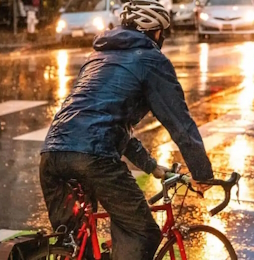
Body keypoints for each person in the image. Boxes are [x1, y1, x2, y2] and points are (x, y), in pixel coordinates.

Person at [39, 0, 214, 259]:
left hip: (51, 156)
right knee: (142, 232)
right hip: (93, 159)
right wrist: (202, 174)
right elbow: (180, 123)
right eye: (161, 32)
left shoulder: (97, 58)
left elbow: (107, 127)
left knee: (78, 246)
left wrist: (152, 167)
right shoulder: (152, 60)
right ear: (154, 32)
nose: (162, 37)